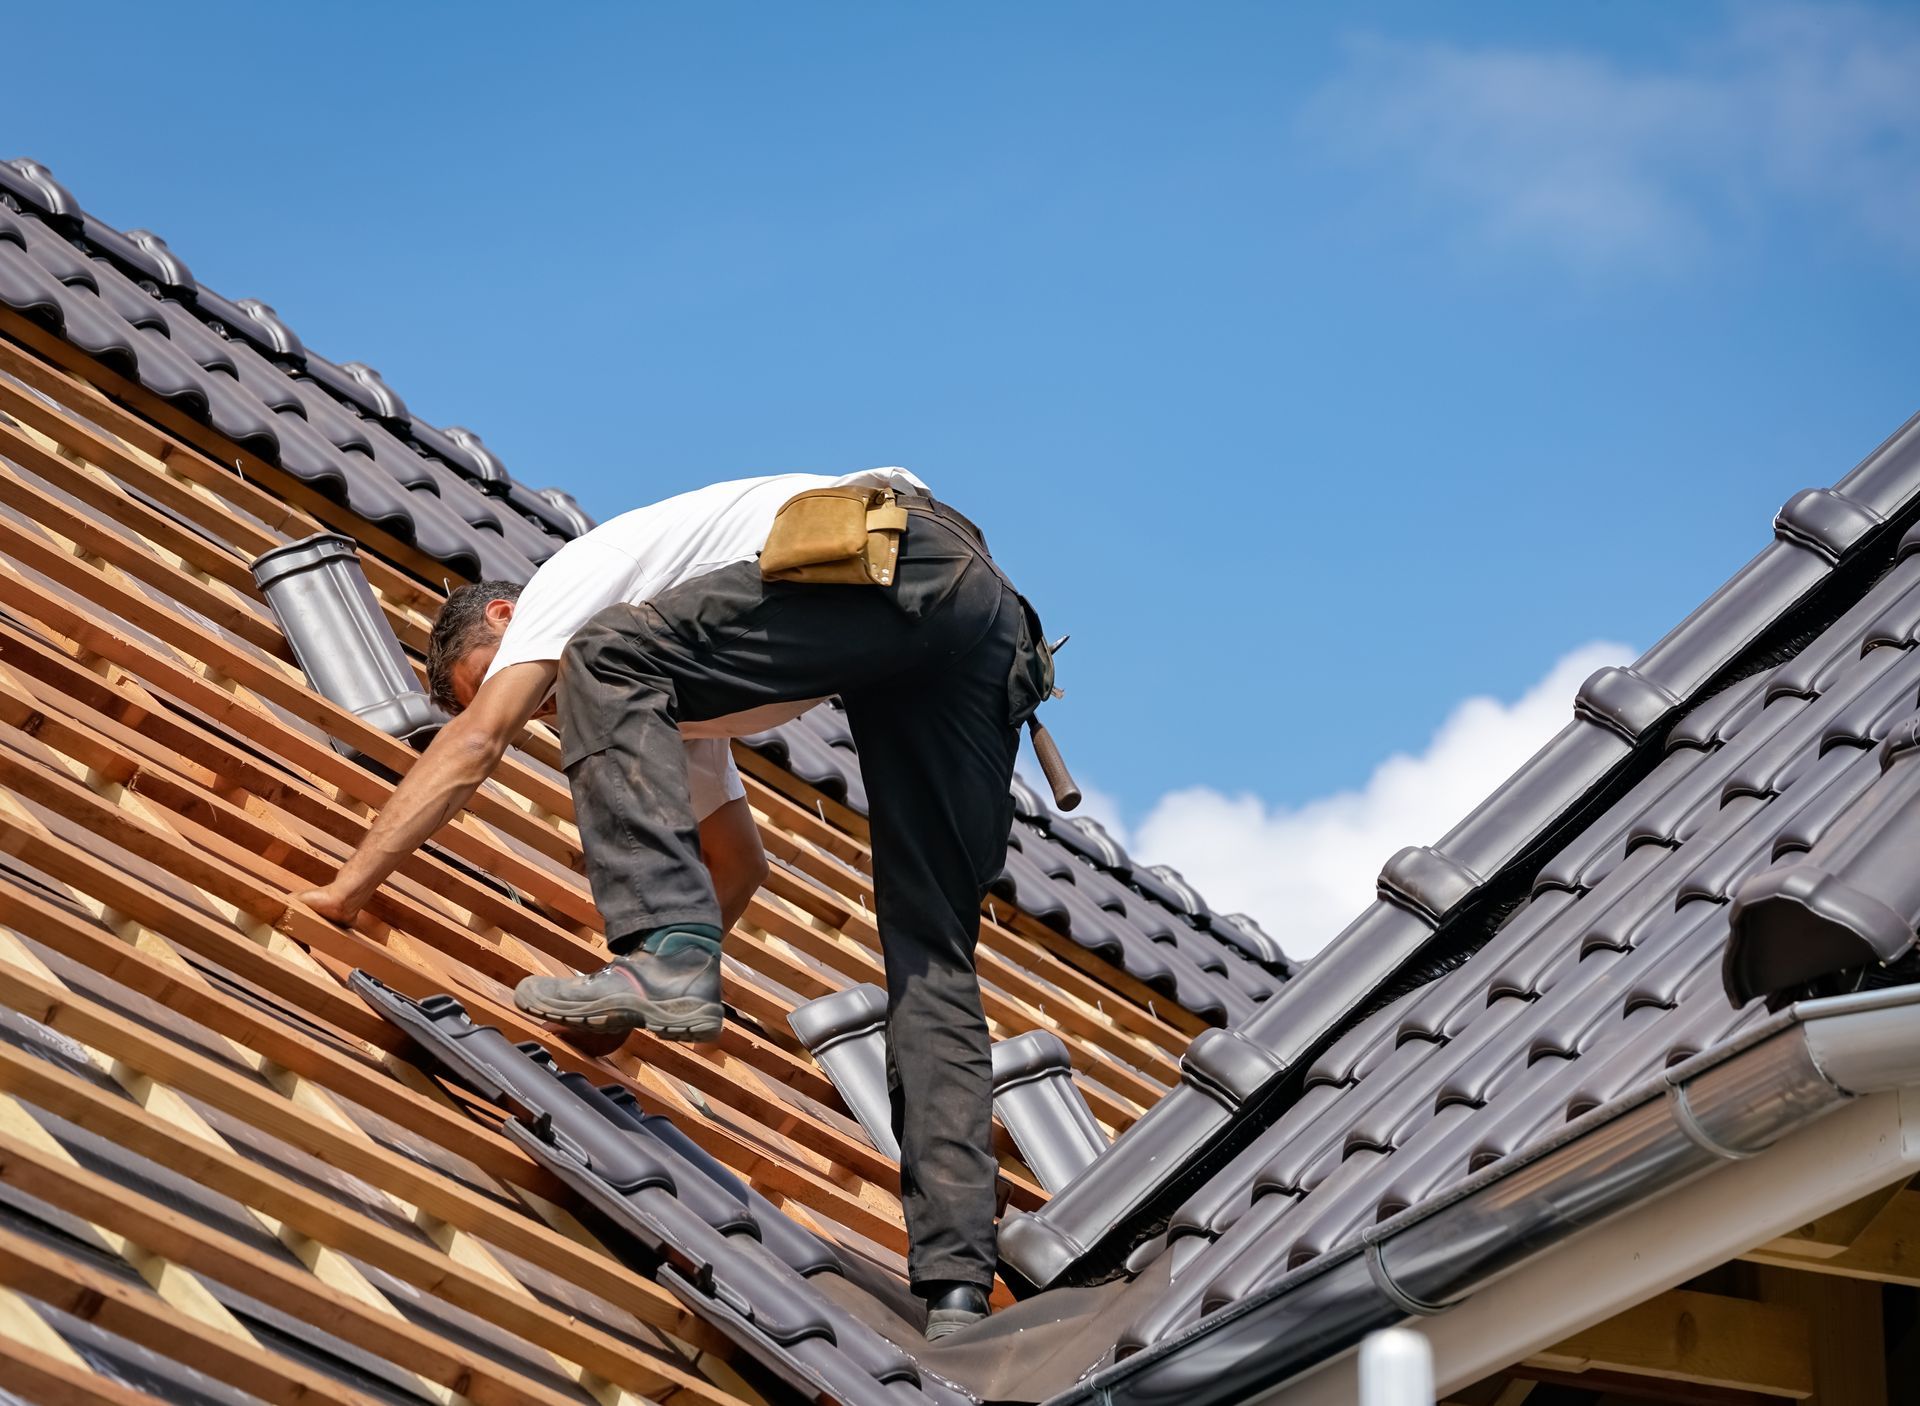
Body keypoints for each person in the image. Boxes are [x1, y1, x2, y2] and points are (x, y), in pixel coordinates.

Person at [296, 467, 1046, 1340]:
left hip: (893, 552)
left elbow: (476, 742)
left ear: (504, 621)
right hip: (976, 620)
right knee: (932, 954)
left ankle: (663, 958)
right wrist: (636, 1006)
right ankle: (957, 1284)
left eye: (506, 682)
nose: (537, 711)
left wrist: (343, 891)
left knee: (601, 654)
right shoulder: (668, 690)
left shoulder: (568, 589)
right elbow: (738, 863)